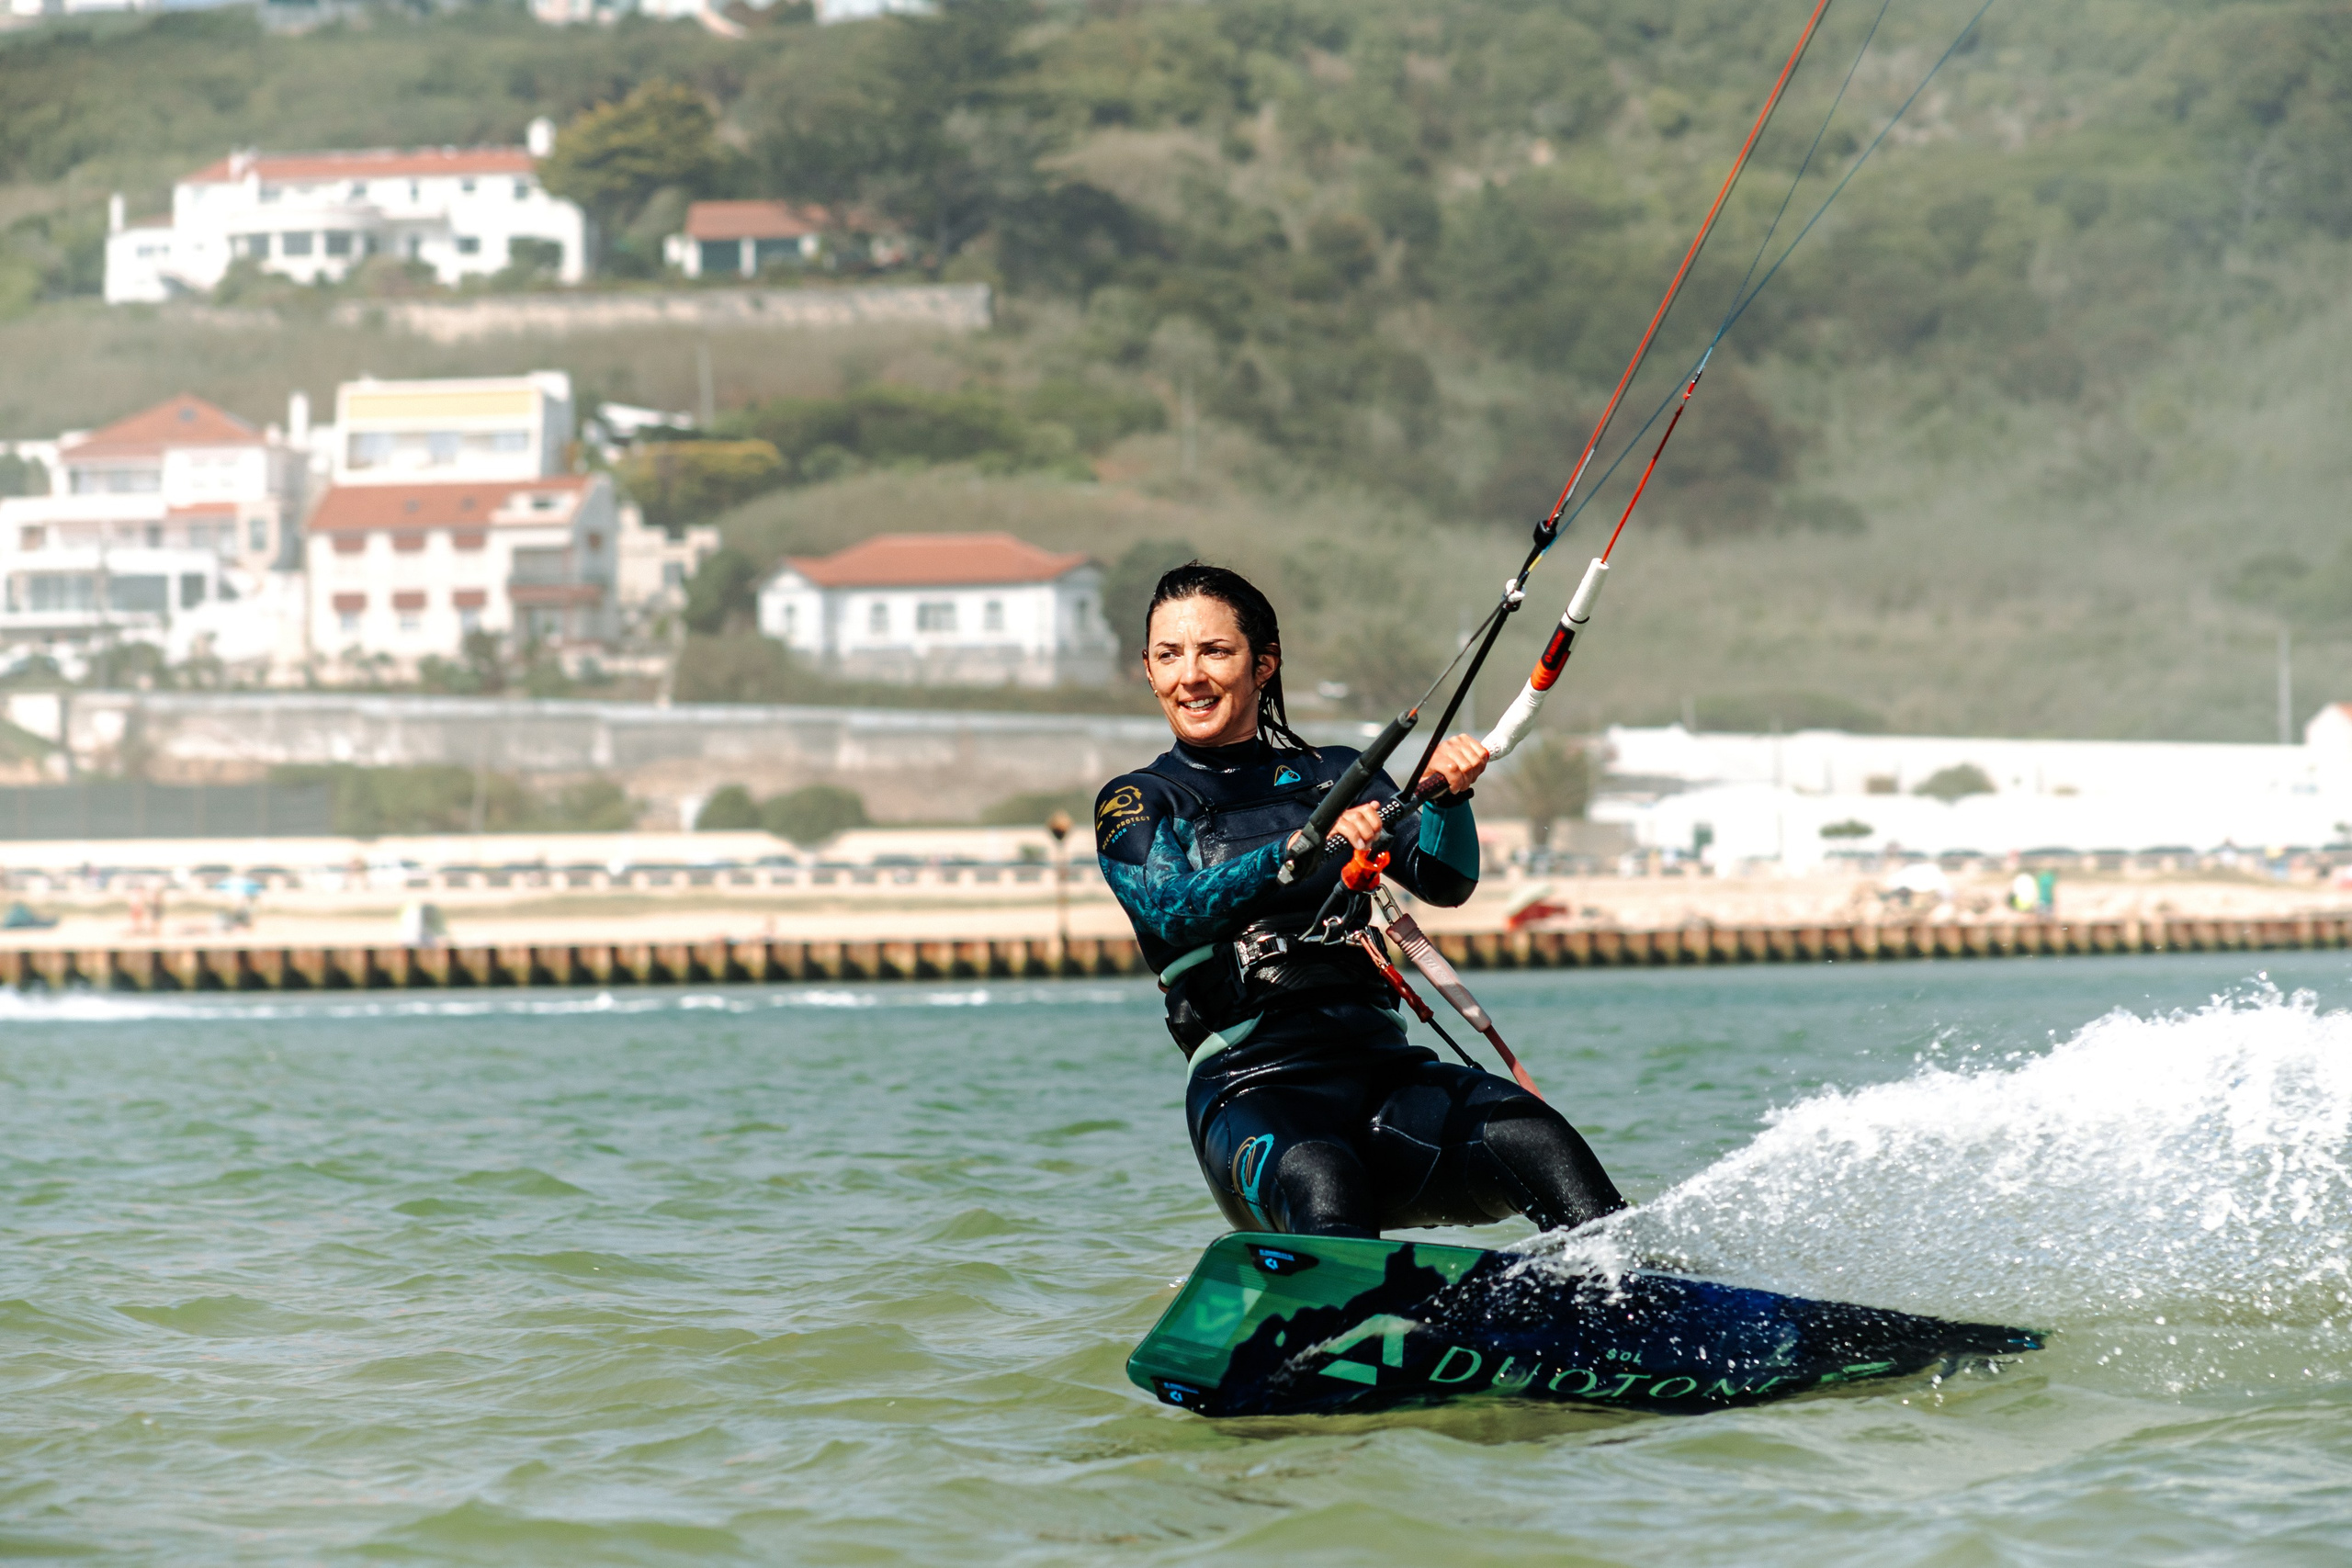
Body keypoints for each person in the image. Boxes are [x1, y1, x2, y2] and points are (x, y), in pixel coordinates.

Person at [1095, 562, 1625, 1240]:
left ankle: (1631, 1300)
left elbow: (1444, 878)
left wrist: (1451, 797)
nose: (1189, 675)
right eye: (1168, 655)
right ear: (1148, 669)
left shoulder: (1331, 774)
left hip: (1387, 1079)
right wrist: (1301, 847)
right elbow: (1173, 908)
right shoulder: (1139, 800)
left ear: (1264, 665)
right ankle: (1332, 1332)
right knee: (1325, 1181)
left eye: (1215, 651)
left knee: (1537, 1136)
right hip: (1254, 1093)